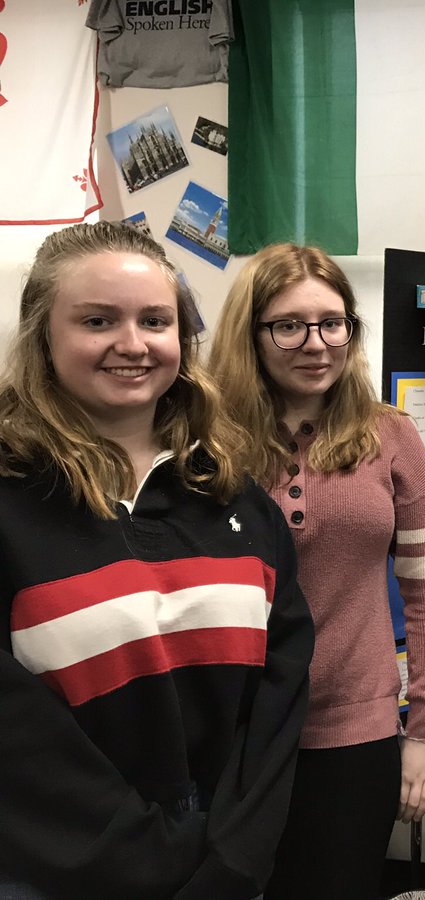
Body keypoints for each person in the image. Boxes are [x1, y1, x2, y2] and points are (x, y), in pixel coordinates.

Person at [0, 222, 314, 898]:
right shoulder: (11, 501)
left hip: (226, 871)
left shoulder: (238, 502)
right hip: (59, 872)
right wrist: (153, 856)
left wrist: (233, 855)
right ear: (43, 335)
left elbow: (278, 703)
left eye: (155, 320)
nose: (133, 344)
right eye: (97, 320)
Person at [210, 243, 425, 900]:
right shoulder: (204, 442)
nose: (316, 343)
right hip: (229, 737)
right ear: (250, 334)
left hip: (353, 734)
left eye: (333, 321)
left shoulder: (391, 437)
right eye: (289, 324)